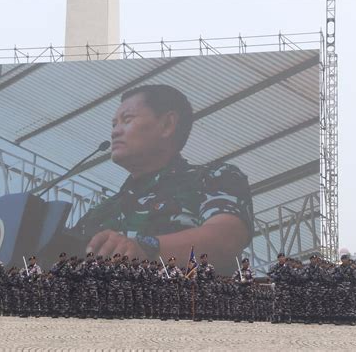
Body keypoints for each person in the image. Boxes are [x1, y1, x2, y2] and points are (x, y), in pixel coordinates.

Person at [70, 84, 253, 275]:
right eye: (114, 124)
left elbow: (225, 239)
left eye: (127, 120)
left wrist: (146, 248)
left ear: (167, 124)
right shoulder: (99, 213)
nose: (115, 132)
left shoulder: (213, 178)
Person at [232, 257, 255, 323]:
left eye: (247, 263)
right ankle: (238, 317)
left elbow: (253, 279)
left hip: (248, 289)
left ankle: (250, 317)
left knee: (249, 304)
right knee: (239, 304)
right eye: (245, 263)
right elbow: (233, 278)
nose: (247, 264)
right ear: (242, 263)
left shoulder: (251, 271)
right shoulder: (238, 271)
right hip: (240, 289)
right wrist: (239, 281)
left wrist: (246, 281)